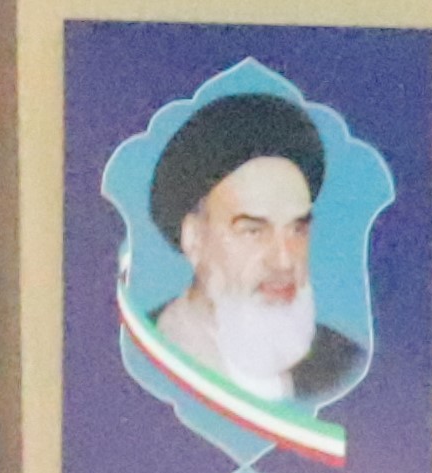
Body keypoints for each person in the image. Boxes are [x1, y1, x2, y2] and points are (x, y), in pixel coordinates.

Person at [141, 88, 364, 408]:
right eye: (253, 231)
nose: (283, 261)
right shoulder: (143, 351)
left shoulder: (345, 366)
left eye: (297, 229)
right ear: (194, 239)